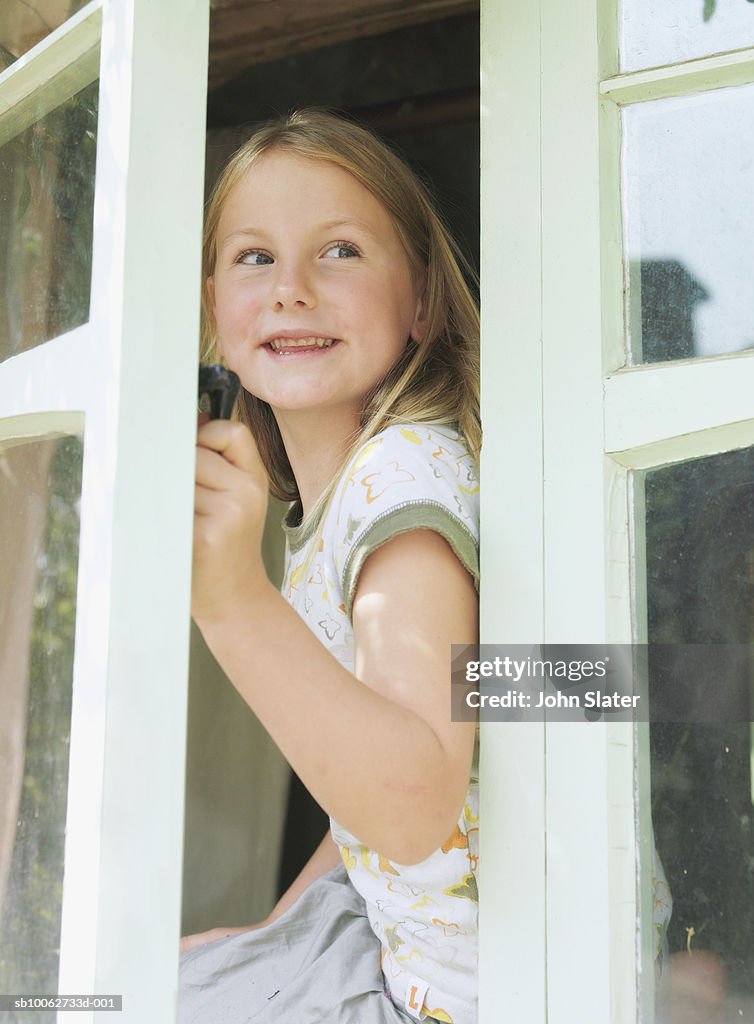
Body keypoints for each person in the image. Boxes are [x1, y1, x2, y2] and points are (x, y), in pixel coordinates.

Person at [178, 109, 480, 1024]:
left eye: (340, 251)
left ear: (421, 300)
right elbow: (369, 805)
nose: (292, 289)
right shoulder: (344, 487)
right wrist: (280, 932)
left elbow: (412, 800)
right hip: (411, 955)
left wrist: (232, 603)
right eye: (254, 257)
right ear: (210, 307)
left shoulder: (402, 481)